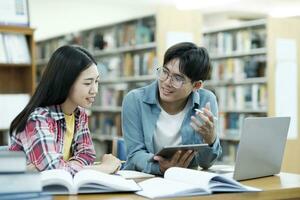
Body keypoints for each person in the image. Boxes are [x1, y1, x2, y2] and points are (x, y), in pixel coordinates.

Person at [9, 45, 120, 175]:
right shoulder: (38, 119)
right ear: (66, 82)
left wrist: (66, 166)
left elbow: (87, 155)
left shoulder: (80, 114)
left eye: (96, 82)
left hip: (61, 189)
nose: (94, 90)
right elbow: (54, 170)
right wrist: (104, 168)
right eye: (87, 83)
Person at [122, 42, 222, 175]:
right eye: (165, 72)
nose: (166, 82)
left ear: (196, 86)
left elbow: (205, 164)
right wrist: (161, 168)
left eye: (178, 78)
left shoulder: (206, 100)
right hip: (143, 179)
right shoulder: (135, 100)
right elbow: (135, 154)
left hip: (185, 181)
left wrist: (211, 139)